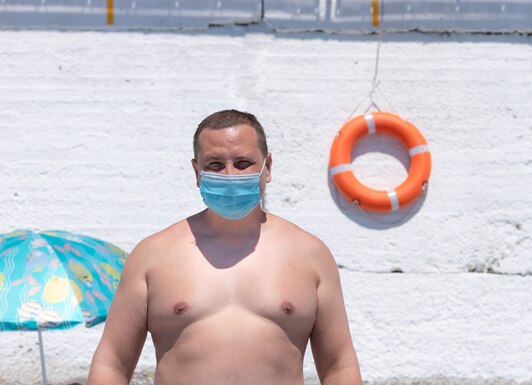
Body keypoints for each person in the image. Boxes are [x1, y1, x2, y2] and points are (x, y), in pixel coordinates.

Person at [86, 109, 362, 385]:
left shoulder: (310, 255)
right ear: (197, 172)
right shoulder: (153, 255)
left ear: (268, 168)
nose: (230, 175)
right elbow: (112, 363)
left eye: (243, 163)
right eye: (215, 164)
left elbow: (339, 367)